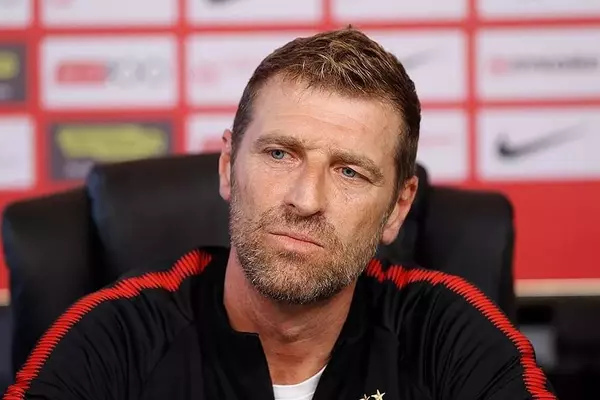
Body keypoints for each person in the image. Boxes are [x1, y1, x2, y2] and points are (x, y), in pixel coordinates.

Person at [4, 28, 556, 400]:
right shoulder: (116, 339)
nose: (306, 199)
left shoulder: (449, 337)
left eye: (350, 172)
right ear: (228, 167)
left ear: (397, 208)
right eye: (279, 154)